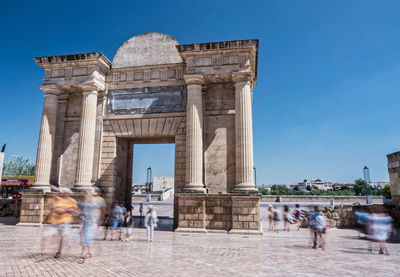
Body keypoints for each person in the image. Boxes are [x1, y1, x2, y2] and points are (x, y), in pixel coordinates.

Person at [41, 188, 79, 259]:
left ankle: (59, 252)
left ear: (67, 193)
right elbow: (54, 208)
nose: (61, 193)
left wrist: (71, 211)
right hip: (54, 221)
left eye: (63, 192)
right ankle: (43, 252)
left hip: (65, 221)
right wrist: (66, 210)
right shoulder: (56, 199)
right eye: (61, 192)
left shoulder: (72, 201)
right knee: (47, 236)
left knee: (63, 236)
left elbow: (77, 212)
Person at [78, 188, 104, 264]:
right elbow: (80, 210)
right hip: (84, 221)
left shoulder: (95, 201)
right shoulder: (84, 201)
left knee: (85, 237)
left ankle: (83, 254)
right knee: (85, 237)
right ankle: (89, 252)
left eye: (89, 191)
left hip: (91, 222)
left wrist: (99, 220)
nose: (87, 193)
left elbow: (98, 211)